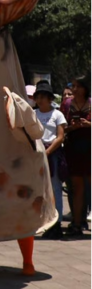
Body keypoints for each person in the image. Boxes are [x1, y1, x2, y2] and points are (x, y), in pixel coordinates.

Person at [33, 81, 67, 238]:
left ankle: (56, 222)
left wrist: (47, 151)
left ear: (50, 98)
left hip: (52, 153)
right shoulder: (33, 114)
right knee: (39, 189)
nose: (40, 100)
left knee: (55, 188)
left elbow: (60, 137)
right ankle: (42, 221)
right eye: (37, 97)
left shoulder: (57, 114)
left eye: (43, 97)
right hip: (36, 153)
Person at [62, 76, 90, 236]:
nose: (74, 89)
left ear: (85, 88)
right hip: (73, 149)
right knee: (77, 188)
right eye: (73, 86)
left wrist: (89, 125)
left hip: (90, 149)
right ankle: (77, 224)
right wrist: (72, 127)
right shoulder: (67, 104)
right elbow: (61, 128)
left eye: (78, 86)